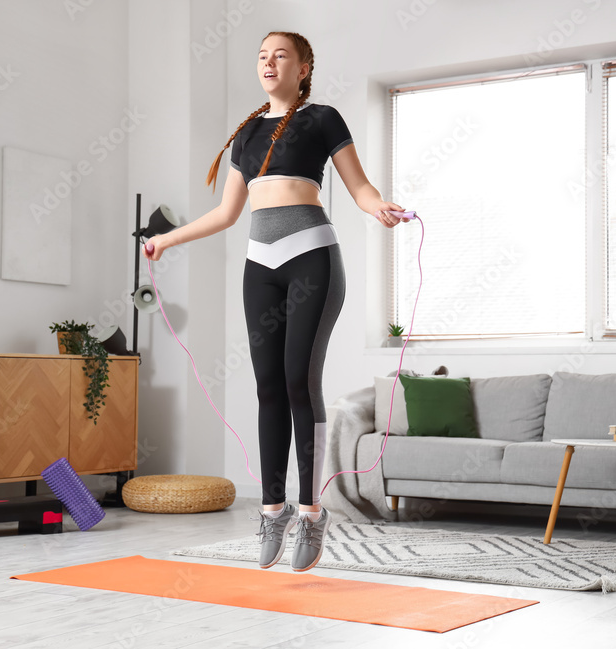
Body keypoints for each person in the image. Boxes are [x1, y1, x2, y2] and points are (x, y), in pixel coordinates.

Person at [143, 31, 409, 572]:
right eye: (262, 57)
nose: (268, 63)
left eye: (280, 55)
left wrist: (379, 206)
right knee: (267, 387)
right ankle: (273, 509)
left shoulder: (323, 119)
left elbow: (359, 187)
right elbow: (225, 215)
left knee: (296, 382)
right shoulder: (245, 135)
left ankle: (311, 513)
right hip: (259, 266)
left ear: (304, 66)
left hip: (311, 257)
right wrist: (166, 239)